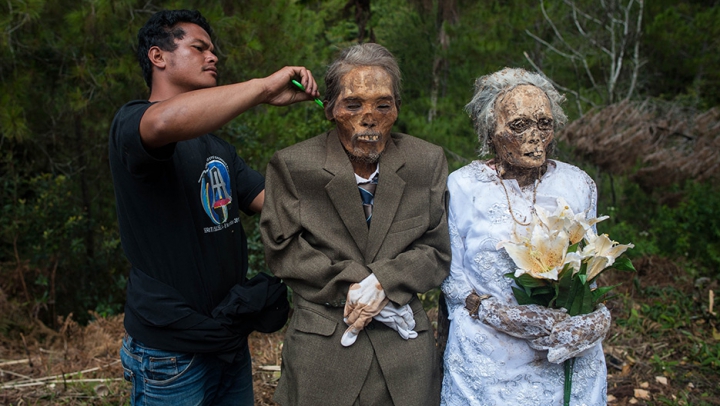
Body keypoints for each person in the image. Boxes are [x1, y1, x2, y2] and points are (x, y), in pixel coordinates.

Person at [108, 9, 320, 405]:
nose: (214, 57)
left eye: (213, 50)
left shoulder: (217, 149)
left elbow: (277, 204)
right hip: (170, 354)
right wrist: (262, 88)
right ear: (158, 57)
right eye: (199, 47)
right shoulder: (132, 123)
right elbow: (162, 124)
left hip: (226, 340)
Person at [259, 43, 451, 406]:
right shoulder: (293, 166)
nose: (369, 116)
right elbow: (282, 249)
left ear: (396, 109)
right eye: (353, 104)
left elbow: (437, 249)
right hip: (323, 354)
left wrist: (385, 282)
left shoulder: (426, 161)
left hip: (406, 356)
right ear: (330, 109)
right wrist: (355, 286)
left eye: (383, 104)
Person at [439, 68, 610, 405]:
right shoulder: (462, 186)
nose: (534, 136)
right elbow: (450, 278)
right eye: (518, 125)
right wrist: (502, 315)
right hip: (488, 361)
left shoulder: (578, 184)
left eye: (543, 124)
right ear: (491, 131)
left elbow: (593, 268)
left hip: (568, 360)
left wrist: (596, 320)